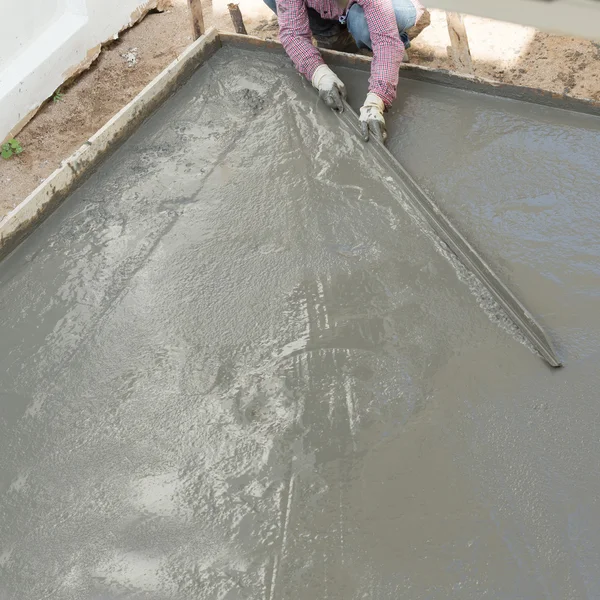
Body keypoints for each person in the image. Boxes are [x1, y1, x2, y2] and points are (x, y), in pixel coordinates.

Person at [263, 0, 430, 143]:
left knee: (361, 21)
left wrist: (376, 100)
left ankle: (399, 38)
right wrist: (318, 73)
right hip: (339, 8)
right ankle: (332, 34)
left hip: (394, 6)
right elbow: (293, 34)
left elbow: (385, 40)